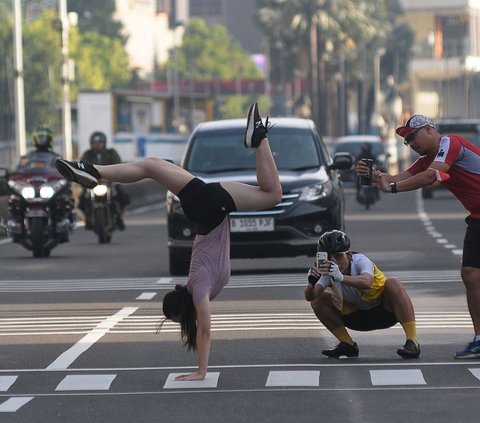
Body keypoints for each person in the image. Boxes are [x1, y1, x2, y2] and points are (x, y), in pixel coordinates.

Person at [55, 103, 282, 380]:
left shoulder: (201, 287)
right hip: (206, 209)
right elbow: (203, 328)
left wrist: (201, 371)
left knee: (153, 166)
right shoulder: (199, 288)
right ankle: (258, 138)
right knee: (271, 194)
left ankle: (92, 171)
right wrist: (199, 366)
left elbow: (205, 329)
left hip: (210, 208)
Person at [357, 114, 480, 359]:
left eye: (413, 136)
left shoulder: (450, 143)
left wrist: (389, 187)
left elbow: (431, 176)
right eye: (407, 141)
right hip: (477, 216)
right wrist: (375, 178)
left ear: (429, 129)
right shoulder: (427, 159)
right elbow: (397, 179)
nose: (411, 143)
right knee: (470, 274)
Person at [304, 230, 420, 359]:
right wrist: (311, 284)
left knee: (393, 283)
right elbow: (311, 296)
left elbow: (367, 281)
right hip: (356, 317)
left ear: (348, 254)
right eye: (329, 257)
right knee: (318, 300)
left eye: (338, 256)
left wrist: (341, 277)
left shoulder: (360, 261)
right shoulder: (328, 272)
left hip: (384, 312)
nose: (334, 262)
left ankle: (412, 342)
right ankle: (347, 344)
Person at [78, 131, 129, 230]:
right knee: (82, 199)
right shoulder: (87, 154)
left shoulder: (111, 153)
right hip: (93, 183)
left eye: (100, 142)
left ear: (104, 143)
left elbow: (118, 165)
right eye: (95, 142)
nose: (97, 145)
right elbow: (82, 167)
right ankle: (87, 218)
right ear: (91, 143)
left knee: (123, 197)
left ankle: (120, 217)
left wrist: (113, 176)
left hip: (110, 182)